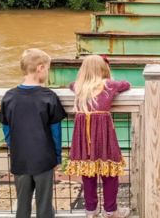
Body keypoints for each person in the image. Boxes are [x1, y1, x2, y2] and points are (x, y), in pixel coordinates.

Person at [0, 48, 66, 218]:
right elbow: (55, 131)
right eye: (48, 68)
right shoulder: (49, 97)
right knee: (44, 204)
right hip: (44, 159)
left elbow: (6, 127)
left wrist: (13, 146)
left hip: (20, 159)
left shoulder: (9, 97)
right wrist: (57, 157)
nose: (48, 72)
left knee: (22, 203)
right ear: (40, 68)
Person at [65, 55, 131, 218]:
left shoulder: (78, 87)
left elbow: (70, 84)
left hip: (83, 137)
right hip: (103, 135)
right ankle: (110, 210)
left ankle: (91, 210)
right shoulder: (109, 85)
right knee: (109, 172)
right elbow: (126, 84)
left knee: (88, 174)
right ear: (103, 69)